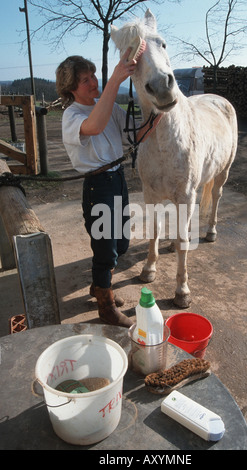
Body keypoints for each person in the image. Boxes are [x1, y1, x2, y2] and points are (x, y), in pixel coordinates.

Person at [56, 51, 162, 328]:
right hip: (98, 186)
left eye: (93, 76)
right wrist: (115, 79)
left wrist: (156, 117)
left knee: (121, 242)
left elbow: (134, 136)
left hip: (117, 180)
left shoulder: (109, 107)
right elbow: (95, 125)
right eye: (84, 80)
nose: (93, 82)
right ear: (71, 88)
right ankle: (106, 307)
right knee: (106, 250)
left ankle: (97, 286)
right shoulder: (72, 114)